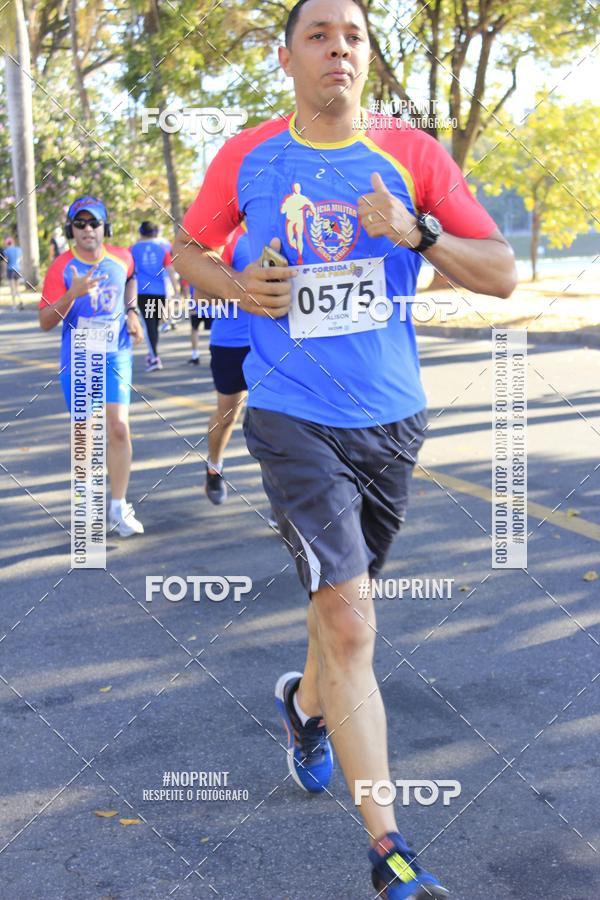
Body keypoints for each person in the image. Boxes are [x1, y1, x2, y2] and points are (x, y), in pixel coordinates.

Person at [173, 0, 517, 896]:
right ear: (287, 57)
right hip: (291, 416)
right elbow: (186, 254)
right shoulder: (249, 155)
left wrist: (417, 233)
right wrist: (239, 285)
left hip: (393, 421)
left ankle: (302, 708)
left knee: (340, 615)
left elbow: (502, 272)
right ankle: (389, 850)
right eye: (319, 34)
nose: (339, 47)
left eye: (354, 35)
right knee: (355, 619)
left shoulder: (412, 155)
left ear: (367, 57)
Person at [39, 195, 146, 537]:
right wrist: (72, 294)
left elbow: (131, 279)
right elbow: (44, 322)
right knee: (86, 435)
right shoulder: (61, 268)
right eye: (80, 224)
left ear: (105, 227)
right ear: (71, 230)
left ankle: (118, 506)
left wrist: (132, 311)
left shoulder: (122, 257)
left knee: (118, 429)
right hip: (81, 355)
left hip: (116, 352)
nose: (87, 230)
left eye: (94, 223)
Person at [203, 225, 252, 504]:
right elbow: (201, 300)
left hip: (272, 342)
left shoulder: (279, 228)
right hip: (231, 343)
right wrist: (245, 292)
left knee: (275, 421)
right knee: (228, 416)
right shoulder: (226, 238)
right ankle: (214, 467)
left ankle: (281, 503)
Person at [130, 221, 178, 371]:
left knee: (150, 325)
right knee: (154, 325)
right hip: (160, 292)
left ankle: (154, 358)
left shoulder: (132, 249)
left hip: (142, 292)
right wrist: (176, 291)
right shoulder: (162, 249)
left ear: (141, 232)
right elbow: (170, 270)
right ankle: (153, 355)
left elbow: (128, 269)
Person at [187, 282, 212, 365]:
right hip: (207, 307)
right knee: (196, 329)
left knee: (194, 330)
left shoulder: (191, 272)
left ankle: (195, 356)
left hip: (200, 306)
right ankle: (196, 355)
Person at [5, 237, 23, 310]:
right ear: (13, 242)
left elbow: (6, 261)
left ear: (7, 243)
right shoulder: (18, 249)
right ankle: (20, 301)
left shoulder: (6, 251)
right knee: (17, 288)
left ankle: (14, 305)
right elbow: (20, 259)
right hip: (17, 269)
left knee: (12, 289)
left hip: (10, 270)